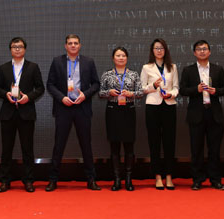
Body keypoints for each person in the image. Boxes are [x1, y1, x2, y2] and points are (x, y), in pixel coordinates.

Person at [45, 34, 101, 191]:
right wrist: (61, 97)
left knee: (86, 145)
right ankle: (53, 180)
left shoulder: (88, 62)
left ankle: (91, 179)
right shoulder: (57, 61)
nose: (73, 45)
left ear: (80, 45)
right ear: (65, 46)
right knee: (59, 145)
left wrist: (85, 94)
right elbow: (50, 84)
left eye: (76, 43)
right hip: (64, 107)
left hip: (82, 107)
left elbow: (96, 84)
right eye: (70, 43)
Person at [0, 37, 45, 193]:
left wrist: (28, 97)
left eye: (20, 46)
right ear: (10, 49)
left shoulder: (33, 67)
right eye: (14, 46)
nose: (17, 49)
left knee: (27, 149)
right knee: (6, 149)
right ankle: (5, 181)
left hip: (26, 113)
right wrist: (6, 94)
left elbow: (40, 88)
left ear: (25, 49)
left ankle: (28, 180)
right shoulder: (3, 68)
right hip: (8, 113)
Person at [179, 40, 224, 190]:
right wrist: (197, 89)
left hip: (214, 113)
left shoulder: (218, 69)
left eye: (205, 49)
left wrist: (216, 91)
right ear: (194, 53)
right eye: (199, 49)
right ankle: (197, 179)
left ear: (209, 51)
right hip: (196, 114)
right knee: (196, 149)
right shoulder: (188, 70)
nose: (202, 51)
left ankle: (215, 179)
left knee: (215, 149)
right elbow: (182, 90)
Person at [99, 46, 143, 191]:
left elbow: (140, 92)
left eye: (123, 55)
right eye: (118, 55)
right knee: (114, 146)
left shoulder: (134, 74)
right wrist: (109, 92)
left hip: (128, 110)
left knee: (129, 146)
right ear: (113, 58)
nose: (121, 58)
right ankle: (117, 179)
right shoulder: (107, 74)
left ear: (127, 58)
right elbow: (100, 93)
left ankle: (129, 179)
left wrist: (131, 94)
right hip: (113, 110)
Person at [140, 38, 179, 190]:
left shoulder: (172, 67)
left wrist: (171, 94)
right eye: (156, 48)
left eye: (161, 48)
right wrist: (153, 85)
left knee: (169, 141)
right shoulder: (147, 67)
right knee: (154, 141)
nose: (159, 50)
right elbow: (142, 89)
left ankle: (169, 176)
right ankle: (157, 176)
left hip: (169, 105)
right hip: (153, 107)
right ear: (152, 50)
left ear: (165, 50)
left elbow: (176, 87)